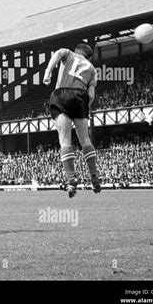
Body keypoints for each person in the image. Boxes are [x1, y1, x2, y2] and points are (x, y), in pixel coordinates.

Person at [43, 43, 102, 198]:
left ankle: (71, 177)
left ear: (78, 51)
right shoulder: (92, 69)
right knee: (85, 139)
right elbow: (91, 95)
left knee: (65, 140)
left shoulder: (68, 53)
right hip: (80, 97)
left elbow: (57, 53)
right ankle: (94, 176)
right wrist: (83, 108)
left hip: (61, 93)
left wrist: (48, 72)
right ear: (89, 57)